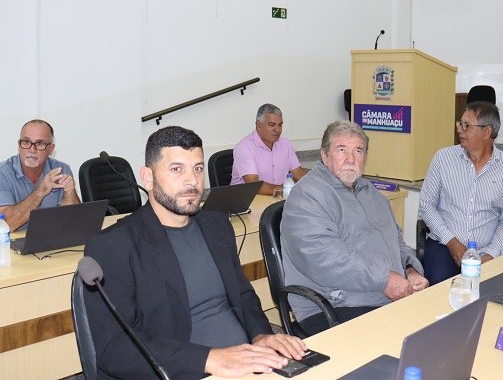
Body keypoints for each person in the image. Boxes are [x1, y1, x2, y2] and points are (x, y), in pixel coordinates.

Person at [84, 126, 306, 380]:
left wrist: (261, 335)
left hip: (247, 362)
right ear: (148, 178)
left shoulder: (217, 225)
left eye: (198, 168)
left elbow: (243, 294)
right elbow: (114, 347)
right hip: (184, 370)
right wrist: (209, 359)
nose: (192, 181)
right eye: (176, 169)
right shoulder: (113, 246)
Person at [280, 120, 428, 336]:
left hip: (381, 293)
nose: (351, 159)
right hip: (335, 305)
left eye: (358, 151)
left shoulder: (370, 192)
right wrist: (385, 280)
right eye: (342, 150)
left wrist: (410, 269)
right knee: (408, 338)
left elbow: (395, 240)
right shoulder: (308, 196)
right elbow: (325, 258)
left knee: (439, 326)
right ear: (325, 155)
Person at [418, 101, 503, 285]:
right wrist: (451, 242)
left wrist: (491, 254)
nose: (460, 129)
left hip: (488, 250)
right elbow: (426, 206)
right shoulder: (443, 159)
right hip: (445, 245)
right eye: (460, 124)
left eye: (467, 125)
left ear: (486, 132)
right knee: (439, 285)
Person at [0, 119, 80, 235]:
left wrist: (70, 192)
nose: (32, 150)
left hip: (44, 239)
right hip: (1, 242)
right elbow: (7, 224)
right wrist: (40, 192)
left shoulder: (61, 170)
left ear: (51, 149)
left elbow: (74, 220)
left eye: (40, 144)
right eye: (26, 142)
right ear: (19, 145)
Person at [230, 103, 307, 195]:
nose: (277, 130)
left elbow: (298, 173)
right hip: (248, 200)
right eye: (272, 125)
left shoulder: (285, 143)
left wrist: (315, 185)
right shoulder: (244, 148)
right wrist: (287, 190)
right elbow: (254, 185)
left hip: (279, 198)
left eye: (280, 125)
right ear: (258, 125)